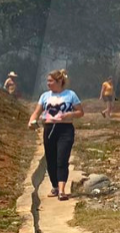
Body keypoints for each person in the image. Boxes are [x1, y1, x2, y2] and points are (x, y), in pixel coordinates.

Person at [28, 69, 83, 201]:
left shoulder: (70, 95)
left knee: (62, 159)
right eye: (47, 81)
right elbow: (37, 112)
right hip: (49, 129)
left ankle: (62, 190)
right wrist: (32, 121)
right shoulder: (45, 96)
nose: (48, 83)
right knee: (51, 159)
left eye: (51, 81)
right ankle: (55, 186)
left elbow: (80, 112)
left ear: (59, 81)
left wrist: (70, 114)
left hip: (65, 129)